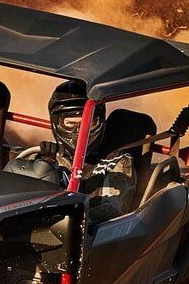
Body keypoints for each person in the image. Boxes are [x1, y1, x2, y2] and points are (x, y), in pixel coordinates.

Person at [45, 80, 137, 222]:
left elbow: (112, 210)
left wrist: (60, 219)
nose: (78, 132)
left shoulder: (118, 162)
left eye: (87, 123)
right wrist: (45, 164)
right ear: (56, 123)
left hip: (89, 237)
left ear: (99, 122)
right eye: (70, 123)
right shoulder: (48, 155)